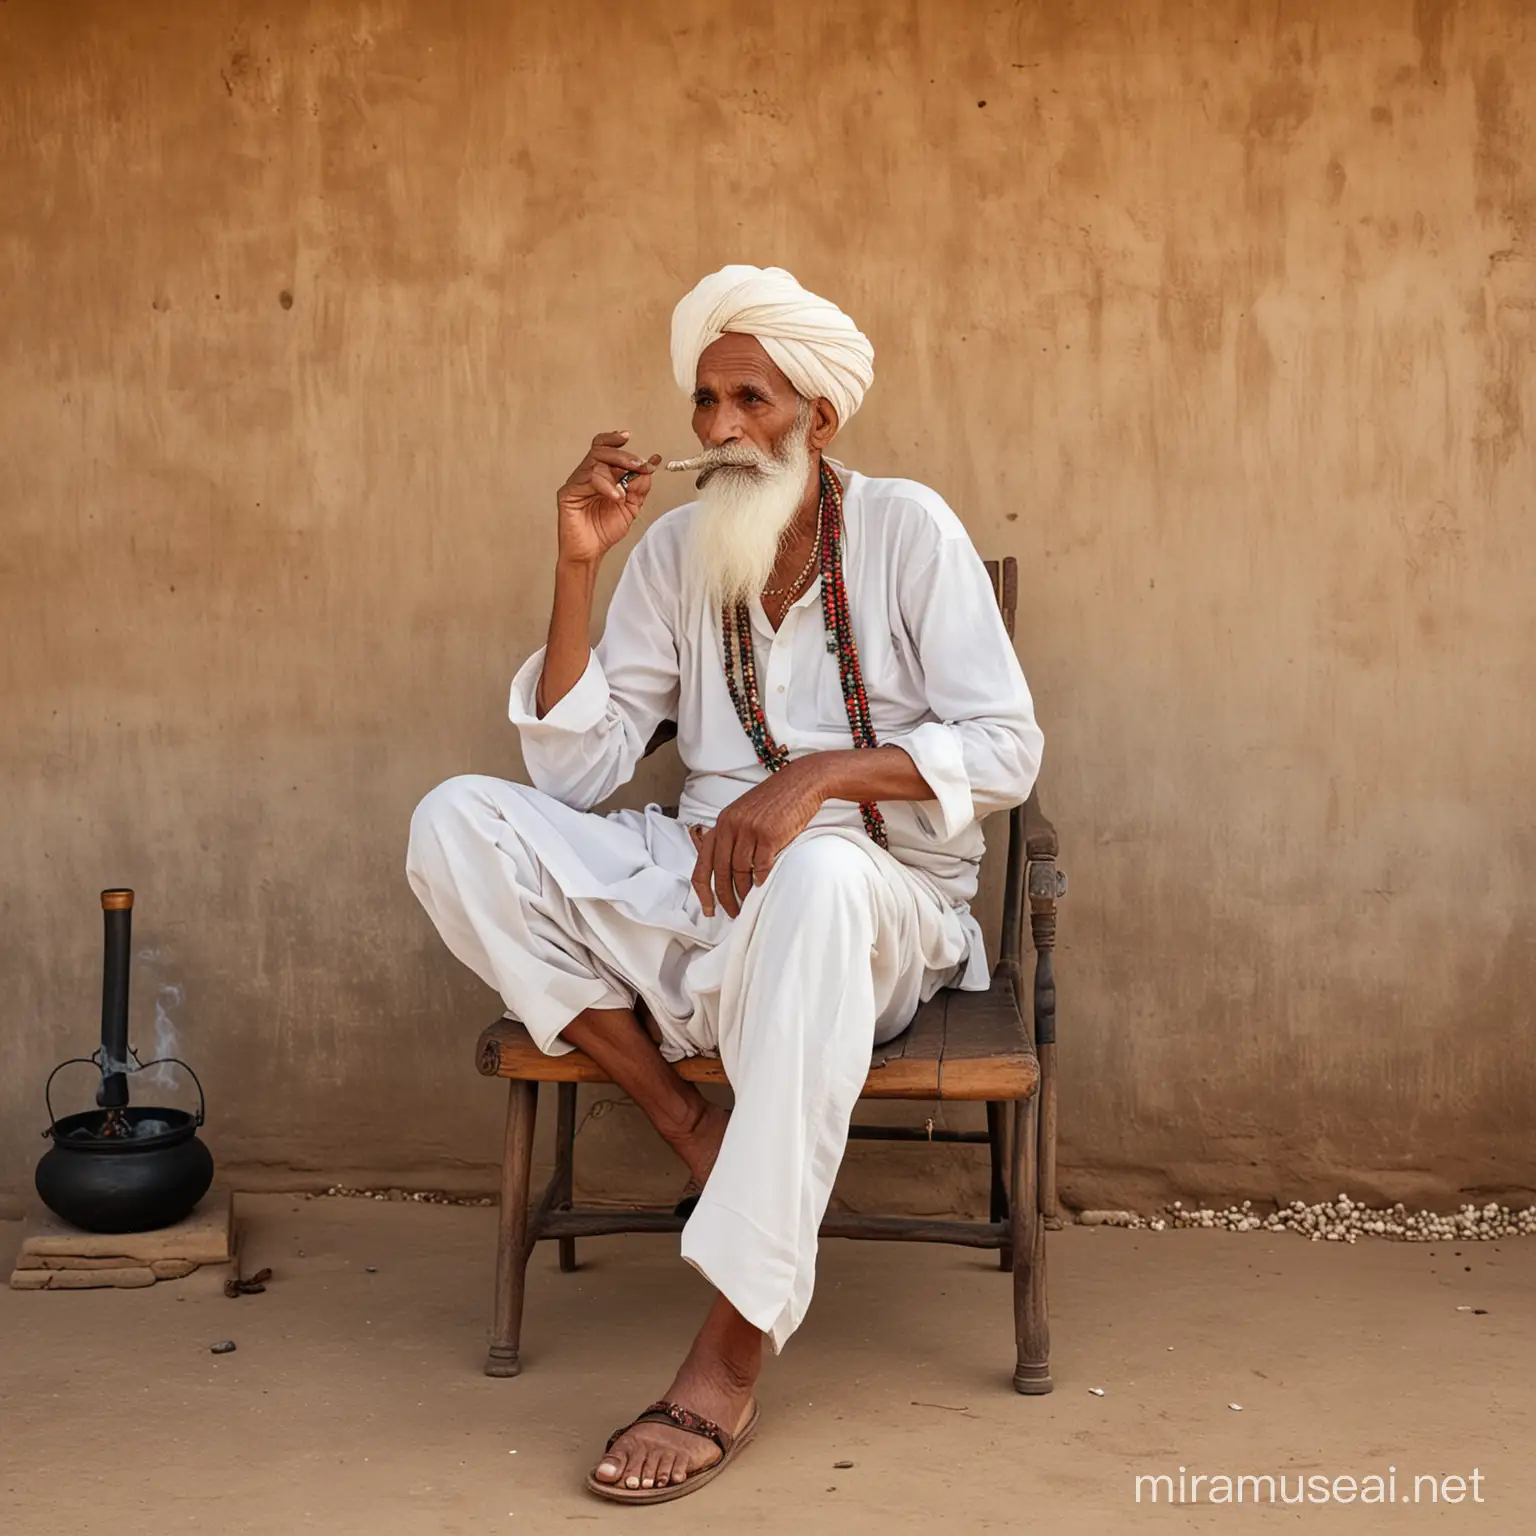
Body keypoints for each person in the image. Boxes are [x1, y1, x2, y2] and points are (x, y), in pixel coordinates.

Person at [407, 264, 1043, 1504]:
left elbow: (1009, 750)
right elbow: (581, 772)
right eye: (704, 400)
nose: (718, 430)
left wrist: (814, 784)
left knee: (814, 884)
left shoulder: (910, 528)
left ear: (819, 415)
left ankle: (731, 1347)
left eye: (749, 397)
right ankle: (683, 1119)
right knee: (454, 824)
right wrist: (580, 563)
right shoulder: (680, 552)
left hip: (871, 906)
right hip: (695, 887)